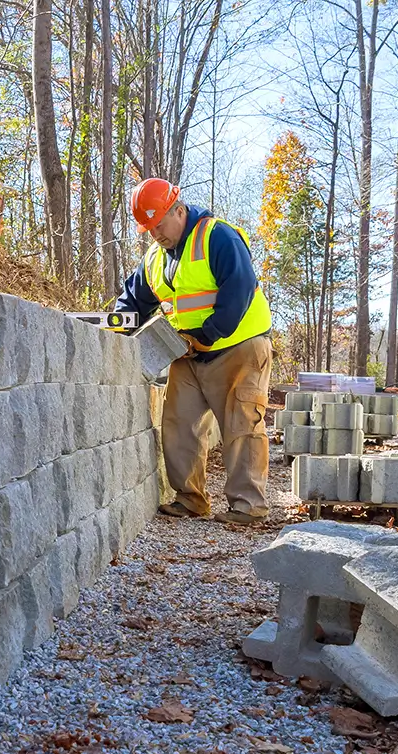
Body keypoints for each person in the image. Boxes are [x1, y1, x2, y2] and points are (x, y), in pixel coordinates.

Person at [115, 178, 273, 524]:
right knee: (178, 424)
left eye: (160, 224)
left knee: (241, 425)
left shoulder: (217, 236)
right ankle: (190, 499)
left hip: (238, 347)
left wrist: (207, 334)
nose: (155, 233)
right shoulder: (155, 259)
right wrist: (111, 329)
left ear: (179, 210)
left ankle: (248, 506)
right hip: (188, 352)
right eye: (149, 228)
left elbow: (239, 290)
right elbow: (133, 302)